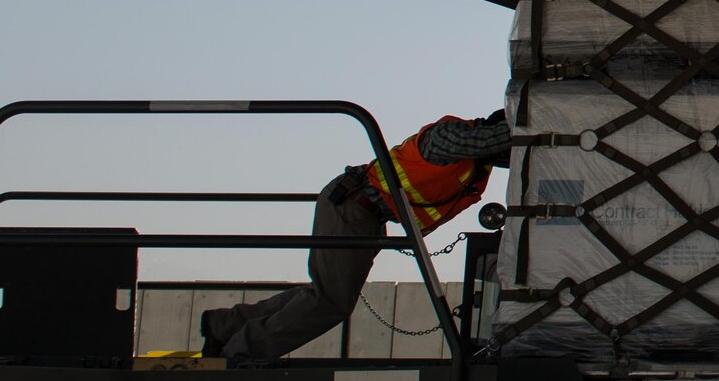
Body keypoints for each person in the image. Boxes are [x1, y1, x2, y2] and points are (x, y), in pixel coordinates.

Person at [200, 111, 510, 362]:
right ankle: (239, 353)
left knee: (324, 295)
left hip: (365, 216)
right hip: (353, 204)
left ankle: (224, 326)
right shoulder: (451, 135)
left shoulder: (475, 172)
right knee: (329, 302)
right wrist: (535, 129)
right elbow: (488, 140)